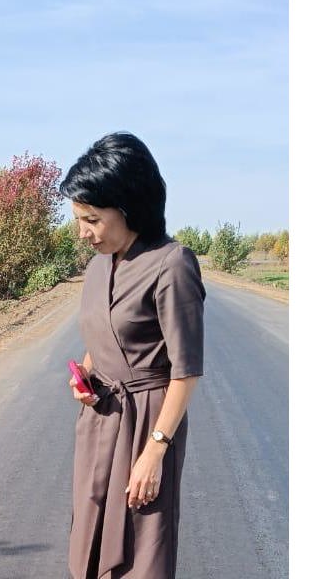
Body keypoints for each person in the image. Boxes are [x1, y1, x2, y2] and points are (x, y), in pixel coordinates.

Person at [60, 132, 205, 579]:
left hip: (147, 423)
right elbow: (101, 333)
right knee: (90, 531)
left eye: (92, 220)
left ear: (127, 207)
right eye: (78, 219)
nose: (82, 232)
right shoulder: (99, 263)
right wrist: (84, 373)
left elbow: (186, 371)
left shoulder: (172, 263)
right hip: (99, 419)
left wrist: (154, 452)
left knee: (142, 548)